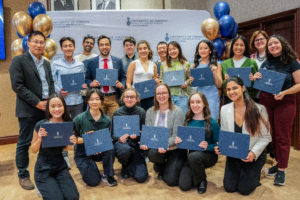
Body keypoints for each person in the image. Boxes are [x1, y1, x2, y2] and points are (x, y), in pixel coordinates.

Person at [9, 31, 55, 190]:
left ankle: (46, 169)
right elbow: (17, 86)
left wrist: (52, 102)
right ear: (28, 43)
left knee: (47, 139)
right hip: (29, 109)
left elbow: (50, 84)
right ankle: (23, 174)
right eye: (35, 42)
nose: (39, 45)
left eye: (42, 42)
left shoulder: (46, 63)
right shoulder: (18, 61)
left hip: (47, 109)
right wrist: (37, 103)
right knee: (24, 142)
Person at [256, 35, 300, 186]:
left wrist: (285, 93)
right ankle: (277, 163)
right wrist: (256, 77)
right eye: (270, 44)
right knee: (271, 135)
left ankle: (282, 170)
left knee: (283, 136)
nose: (273, 46)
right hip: (266, 102)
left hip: (285, 102)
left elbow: (299, 84)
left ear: (283, 44)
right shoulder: (266, 63)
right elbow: (261, 81)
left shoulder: (292, 62)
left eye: (276, 43)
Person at [215, 77, 271, 195]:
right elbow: (225, 134)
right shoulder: (224, 109)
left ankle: (259, 169)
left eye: (235, 88)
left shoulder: (259, 109)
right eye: (228, 89)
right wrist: (221, 146)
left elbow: (266, 137)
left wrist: (253, 153)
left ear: (243, 88)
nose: (231, 92)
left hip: (252, 153)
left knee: (244, 190)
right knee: (229, 187)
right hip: (234, 153)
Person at [31, 93, 79, 199]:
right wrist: (39, 138)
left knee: (73, 198)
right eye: (53, 106)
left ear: (64, 107)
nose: (56, 109)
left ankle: (51, 187)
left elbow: (68, 149)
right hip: (43, 168)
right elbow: (33, 150)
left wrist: (72, 142)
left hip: (60, 166)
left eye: (59, 105)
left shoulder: (67, 124)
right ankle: (43, 187)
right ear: (48, 108)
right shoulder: (40, 125)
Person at [141, 83, 186, 186]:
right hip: (158, 150)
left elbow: (176, 136)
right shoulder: (150, 112)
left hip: (175, 149)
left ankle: (170, 165)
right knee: (152, 153)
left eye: (164, 93)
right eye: (159, 94)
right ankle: (160, 164)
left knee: (171, 181)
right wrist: (146, 143)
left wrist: (164, 143)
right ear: (155, 96)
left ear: (169, 95)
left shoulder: (177, 111)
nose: (161, 96)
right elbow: (149, 135)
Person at [176, 92, 219, 194]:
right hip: (191, 156)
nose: (195, 105)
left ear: (204, 104)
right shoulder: (187, 121)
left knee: (194, 157)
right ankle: (196, 172)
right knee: (184, 185)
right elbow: (185, 142)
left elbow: (219, 145)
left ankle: (202, 180)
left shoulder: (212, 122)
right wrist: (179, 141)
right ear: (189, 105)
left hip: (208, 155)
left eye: (198, 102)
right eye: (192, 102)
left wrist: (208, 146)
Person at [73, 88, 117, 187]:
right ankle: (88, 167)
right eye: (91, 99)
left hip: (100, 150)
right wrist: (87, 139)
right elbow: (72, 139)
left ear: (101, 100)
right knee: (93, 181)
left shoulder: (106, 119)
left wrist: (99, 147)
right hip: (83, 153)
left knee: (110, 148)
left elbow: (106, 139)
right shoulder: (79, 119)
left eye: (97, 99)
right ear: (87, 101)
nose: (94, 102)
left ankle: (108, 174)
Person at [112, 88, 148, 183]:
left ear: (137, 99)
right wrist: (119, 137)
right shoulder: (117, 112)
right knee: (125, 150)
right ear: (123, 99)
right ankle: (125, 163)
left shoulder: (141, 112)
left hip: (136, 146)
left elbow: (145, 134)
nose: (129, 99)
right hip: (123, 145)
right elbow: (112, 135)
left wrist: (138, 135)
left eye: (132, 97)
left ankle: (132, 164)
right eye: (127, 97)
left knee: (142, 178)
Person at [85, 35, 126, 118]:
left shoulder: (118, 61)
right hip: (98, 98)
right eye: (102, 45)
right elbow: (87, 79)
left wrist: (122, 84)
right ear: (98, 47)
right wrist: (91, 83)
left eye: (107, 44)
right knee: (99, 123)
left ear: (110, 46)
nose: (104, 47)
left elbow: (123, 77)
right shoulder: (91, 62)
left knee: (116, 122)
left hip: (114, 97)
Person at [52, 37, 87, 119]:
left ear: (74, 47)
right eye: (65, 46)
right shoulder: (55, 64)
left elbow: (82, 82)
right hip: (62, 102)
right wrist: (58, 91)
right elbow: (51, 82)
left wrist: (84, 87)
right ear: (61, 48)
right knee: (64, 128)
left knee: (77, 128)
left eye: (70, 46)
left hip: (78, 101)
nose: (68, 48)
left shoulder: (80, 64)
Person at [191, 40, 223, 120]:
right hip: (199, 98)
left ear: (210, 50)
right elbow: (192, 86)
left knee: (212, 122)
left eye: (205, 48)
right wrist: (191, 81)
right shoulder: (194, 66)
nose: (203, 50)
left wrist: (215, 73)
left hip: (212, 97)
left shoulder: (216, 64)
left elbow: (219, 85)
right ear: (198, 51)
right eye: (200, 48)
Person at [221, 35, 258, 101]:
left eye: (242, 45)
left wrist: (253, 80)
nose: (239, 47)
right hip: (230, 99)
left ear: (245, 47)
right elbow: (222, 85)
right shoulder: (225, 63)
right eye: (236, 44)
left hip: (248, 99)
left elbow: (257, 85)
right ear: (232, 46)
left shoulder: (252, 62)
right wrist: (226, 81)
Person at [126, 40, 159, 111]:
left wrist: (157, 82)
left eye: (145, 48)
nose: (142, 50)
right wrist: (133, 95)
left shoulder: (154, 65)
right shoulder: (133, 64)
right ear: (137, 51)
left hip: (150, 97)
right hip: (137, 98)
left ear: (149, 50)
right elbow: (128, 83)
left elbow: (155, 82)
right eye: (140, 49)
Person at [160, 41, 191, 114]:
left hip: (182, 96)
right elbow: (161, 80)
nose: (172, 51)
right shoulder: (163, 65)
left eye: (174, 49)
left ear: (179, 50)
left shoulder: (186, 64)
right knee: (169, 121)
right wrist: (161, 83)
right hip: (168, 97)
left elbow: (190, 78)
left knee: (182, 119)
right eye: (169, 50)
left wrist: (186, 83)